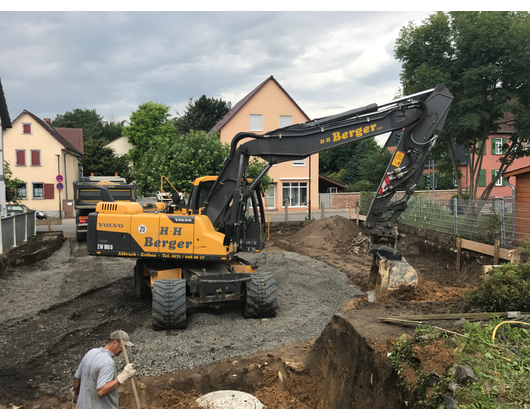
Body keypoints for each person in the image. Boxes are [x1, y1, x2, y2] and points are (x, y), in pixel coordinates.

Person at [72, 330, 137, 409]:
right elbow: (101, 391)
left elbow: (77, 379)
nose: (124, 350)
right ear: (115, 343)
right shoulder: (108, 362)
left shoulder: (91, 352)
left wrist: (77, 395)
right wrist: (122, 377)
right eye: (123, 346)